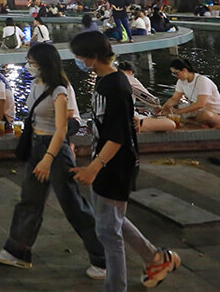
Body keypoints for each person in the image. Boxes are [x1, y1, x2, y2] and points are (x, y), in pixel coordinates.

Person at [70, 31, 181, 290]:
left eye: (79, 56)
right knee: (110, 222)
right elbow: (119, 122)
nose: (77, 60)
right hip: (105, 162)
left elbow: (118, 136)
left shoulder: (116, 85)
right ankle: (157, 258)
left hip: (116, 167)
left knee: (108, 232)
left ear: (92, 57)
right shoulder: (104, 82)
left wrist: (94, 168)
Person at [0, 43, 105, 278]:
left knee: (74, 206)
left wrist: (48, 159)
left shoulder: (60, 90)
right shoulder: (36, 84)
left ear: (44, 63)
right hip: (36, 145)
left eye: (32, 62)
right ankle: (18, 251)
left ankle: (103, 259)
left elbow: (62, 129)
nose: (29, 66)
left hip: (53, 149)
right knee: (29, 201)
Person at [159, 58, 220, 128]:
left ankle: (191, 122)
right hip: (197, 111)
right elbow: (174, 99)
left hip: (216, 113)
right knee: (168, 113)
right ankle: (195, 123)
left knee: (204, 115)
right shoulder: (181, 82)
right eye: (173, 74)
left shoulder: (202, 81)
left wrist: (178, 112)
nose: (176, 76)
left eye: (176, 73)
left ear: (184, 70)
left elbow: (200, 104)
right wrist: (164, 108)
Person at [116, 61, 176, 133]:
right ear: (131, 72)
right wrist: (159, 107)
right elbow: (150, 99)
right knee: (170, 124)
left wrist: (136, 109)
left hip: (109, 118)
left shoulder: (111, 79)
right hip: (124, 121)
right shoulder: (129, 78)